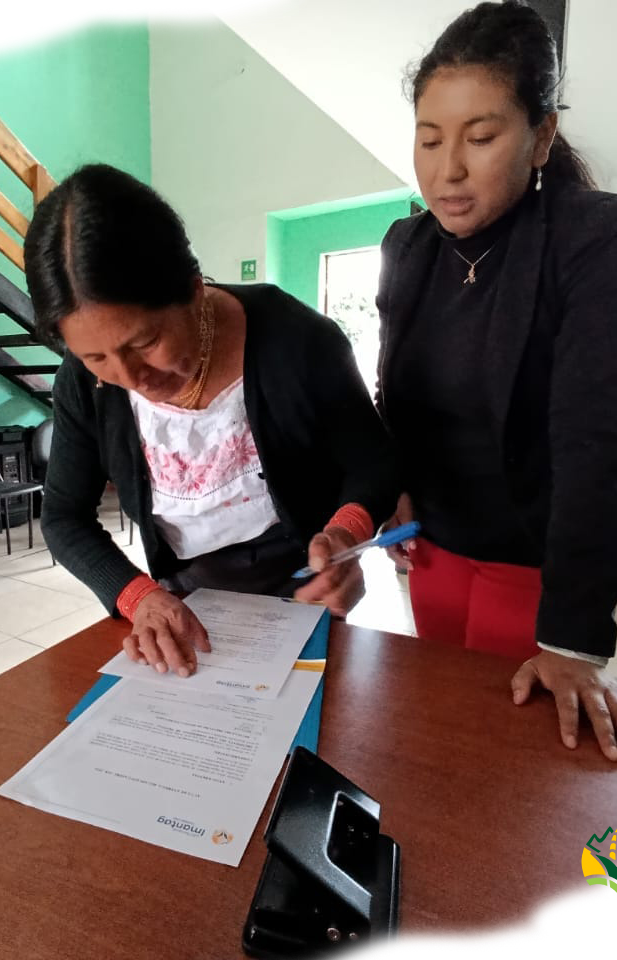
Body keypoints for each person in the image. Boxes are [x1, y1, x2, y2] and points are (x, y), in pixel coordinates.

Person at [375, 1, 617, 761]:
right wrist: (392, 484)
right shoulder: (408, 246)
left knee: (517, 751)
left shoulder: (590, 236)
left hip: (540, 547)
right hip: (436, 541)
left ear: (541, 138)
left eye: (481, 137)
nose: (448, 168)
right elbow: (395, 394)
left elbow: (596, 441)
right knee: (441, 724)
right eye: (429, 139)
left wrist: (571, 641)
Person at [24, 164, 398, 678]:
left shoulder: (298, 341)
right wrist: (139, 597)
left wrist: (345, 533)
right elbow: (65, 517)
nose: (129, 377)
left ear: (194, 290)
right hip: (182, 598)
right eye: (96, 357)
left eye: (145, 343)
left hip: (304, 584)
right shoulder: (83, 383)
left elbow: (373, 463)